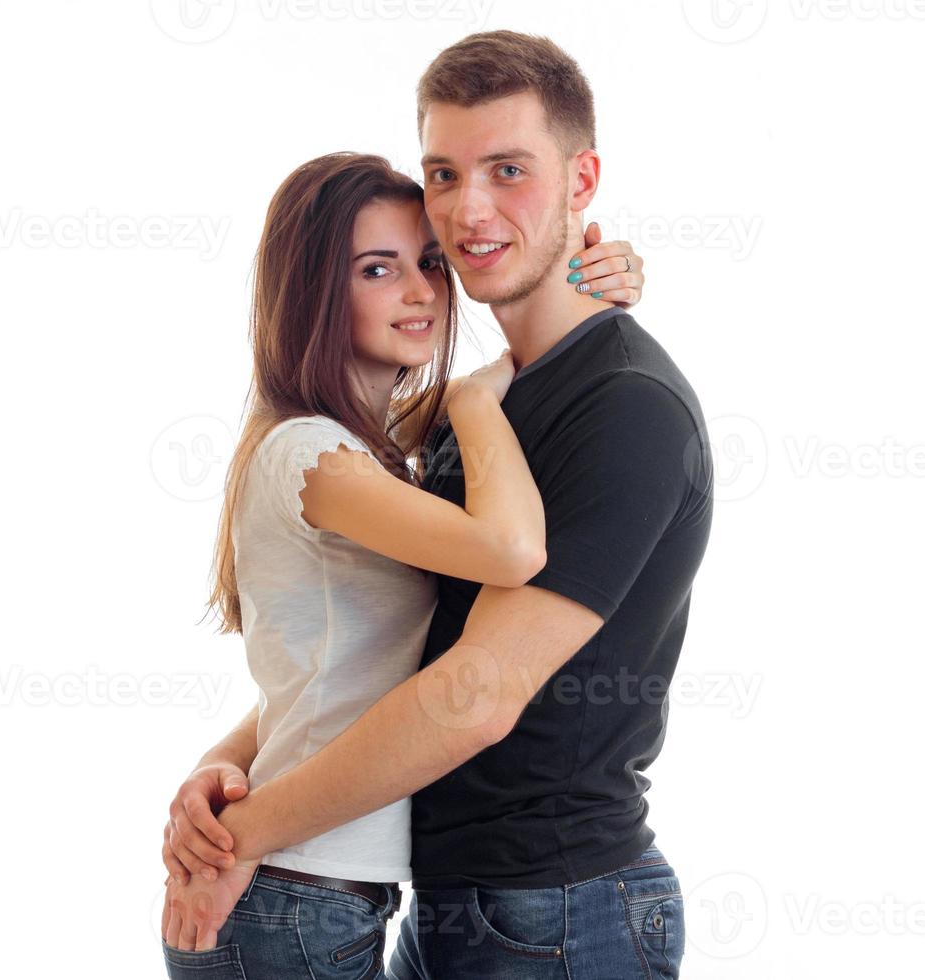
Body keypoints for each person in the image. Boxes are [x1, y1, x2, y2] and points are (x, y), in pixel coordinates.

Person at [158, 146, 649, 978]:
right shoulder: (315, 456)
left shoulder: (370, 446)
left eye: (428, 261)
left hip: (319, 887)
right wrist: (470, 394)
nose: (422, 290)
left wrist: (595, 280)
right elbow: (514, 548)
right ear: (313, 290)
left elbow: (327, 674)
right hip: (290, 889)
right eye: (378, 269)